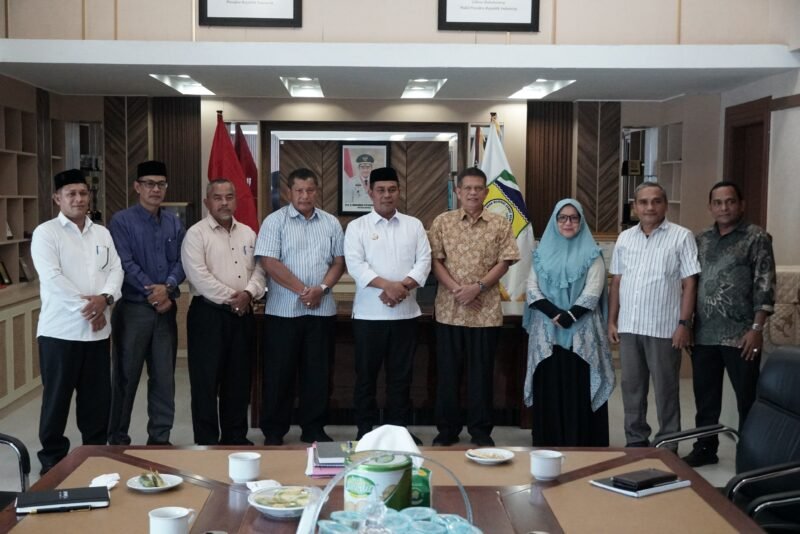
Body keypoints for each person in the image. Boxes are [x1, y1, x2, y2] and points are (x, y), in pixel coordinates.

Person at [31, 169, 123, 474]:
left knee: (97, 405)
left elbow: (116, 271)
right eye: (71, 193)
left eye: (83, 193)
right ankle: (52, 466)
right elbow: (53, 279)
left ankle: (94, 460)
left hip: (98, 336)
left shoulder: (102, 233)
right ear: (57, 198)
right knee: (56, 402)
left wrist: (105, 299)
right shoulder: (46, 233)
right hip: (61, 333)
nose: (79, 199)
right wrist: (92, 310)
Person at [683, 181, 776, 467]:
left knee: (747, 398)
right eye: (718, 202)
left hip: (742, 335)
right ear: (710, 206)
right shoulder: (701, 239)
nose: (724, 207)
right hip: (705, 334)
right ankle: (705, 447)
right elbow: (691, 283)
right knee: (705, 398)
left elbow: (765, 283)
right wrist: (686, 324)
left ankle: (751, 453)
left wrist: (757, 329)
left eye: (730, 201)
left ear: (741, 204)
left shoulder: (756, 237)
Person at [428, 167, 519, 447]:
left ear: (486, 192)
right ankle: (447, 430)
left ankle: (481, 432)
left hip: (485, 312)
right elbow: (434, 261)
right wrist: (459, 291)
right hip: (449, 311)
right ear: (457, 191)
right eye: (467, 188)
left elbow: (505, 261)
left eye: (478, 188)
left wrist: (477, 288)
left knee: (481, 376)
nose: (472, 193)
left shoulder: (499, 222)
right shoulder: (442, 222)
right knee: (448, 375)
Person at [256, 168, 345, 445]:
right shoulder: (274, 222)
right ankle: (274, 431)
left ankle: (314, 428)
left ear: (317, 191)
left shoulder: (330, 223)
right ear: (288, 192)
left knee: (318, 374)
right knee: (279, 373)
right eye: (299, 191)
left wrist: (322, 289)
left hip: (321, 311)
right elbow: (269, 262)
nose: (305, 196)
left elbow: (339, 262)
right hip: (284, 312)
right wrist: (303, 291)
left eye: (310, 190)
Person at [609, 182, 700, 449]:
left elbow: (690, 283)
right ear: (635, 207)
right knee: (632, 388)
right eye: (644, 202)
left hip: (664, 328)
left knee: (666, 390)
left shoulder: (682, 236)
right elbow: (616, 281)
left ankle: (668, 445)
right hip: (630, 327)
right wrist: (612, 321)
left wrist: (684, 323)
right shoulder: (625, 238)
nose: (650, 207)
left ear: (665, 205)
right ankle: (636, 440)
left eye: (656, 201)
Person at [344, 167, 431, 443]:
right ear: (370, 192)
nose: (386, 195)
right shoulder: (357, 227)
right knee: (366, 378)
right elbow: (356, 266)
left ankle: (399, 433)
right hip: (369, 317)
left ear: (399, 191)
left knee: (401, 379)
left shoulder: (414, 225)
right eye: (380, 190)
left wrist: (401, 288)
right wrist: (388, 287)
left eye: (392, 189)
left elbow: (424, 262)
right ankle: (365, 432)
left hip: (405, 316)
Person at [524, 199, 615, 446]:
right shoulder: (541, 254)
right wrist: (553, 313)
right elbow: (532, 287)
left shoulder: (592, 253)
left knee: (579, 388)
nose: (568, 222)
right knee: (550, 386)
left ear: (581, 221)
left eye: (574, 218)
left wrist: (569, 316)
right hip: (547, 333)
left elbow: (594, 290)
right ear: (555, 221)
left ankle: (583, 442)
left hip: (582, 333)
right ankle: (549, 441)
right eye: (562, 217)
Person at [181, 179, 266, 445]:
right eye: (218, 198)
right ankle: (206, 440)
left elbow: (260, 270)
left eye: (229, 197)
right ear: (208, 202)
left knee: (239, 380)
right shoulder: (196, 234)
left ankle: (235, 436)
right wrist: (235, 299)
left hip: (243, 315)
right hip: (208, 316)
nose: (224, 202)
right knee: (206, 382)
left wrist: (249, 294)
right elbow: (199, 276)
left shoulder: (249, 233)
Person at [107, 160, 185, 446]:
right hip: (133, 311)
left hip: (166, 311)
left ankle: (160, 439)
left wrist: (169, 287)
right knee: (126, 379)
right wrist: (154, 292)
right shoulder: (121, 221)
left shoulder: (173, 222)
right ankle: (117, 438)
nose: (156, 189)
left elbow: (181, 261)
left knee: (164, 378)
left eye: (161, 184)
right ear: (137, 187)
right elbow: (124, 263)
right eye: (149, 183)